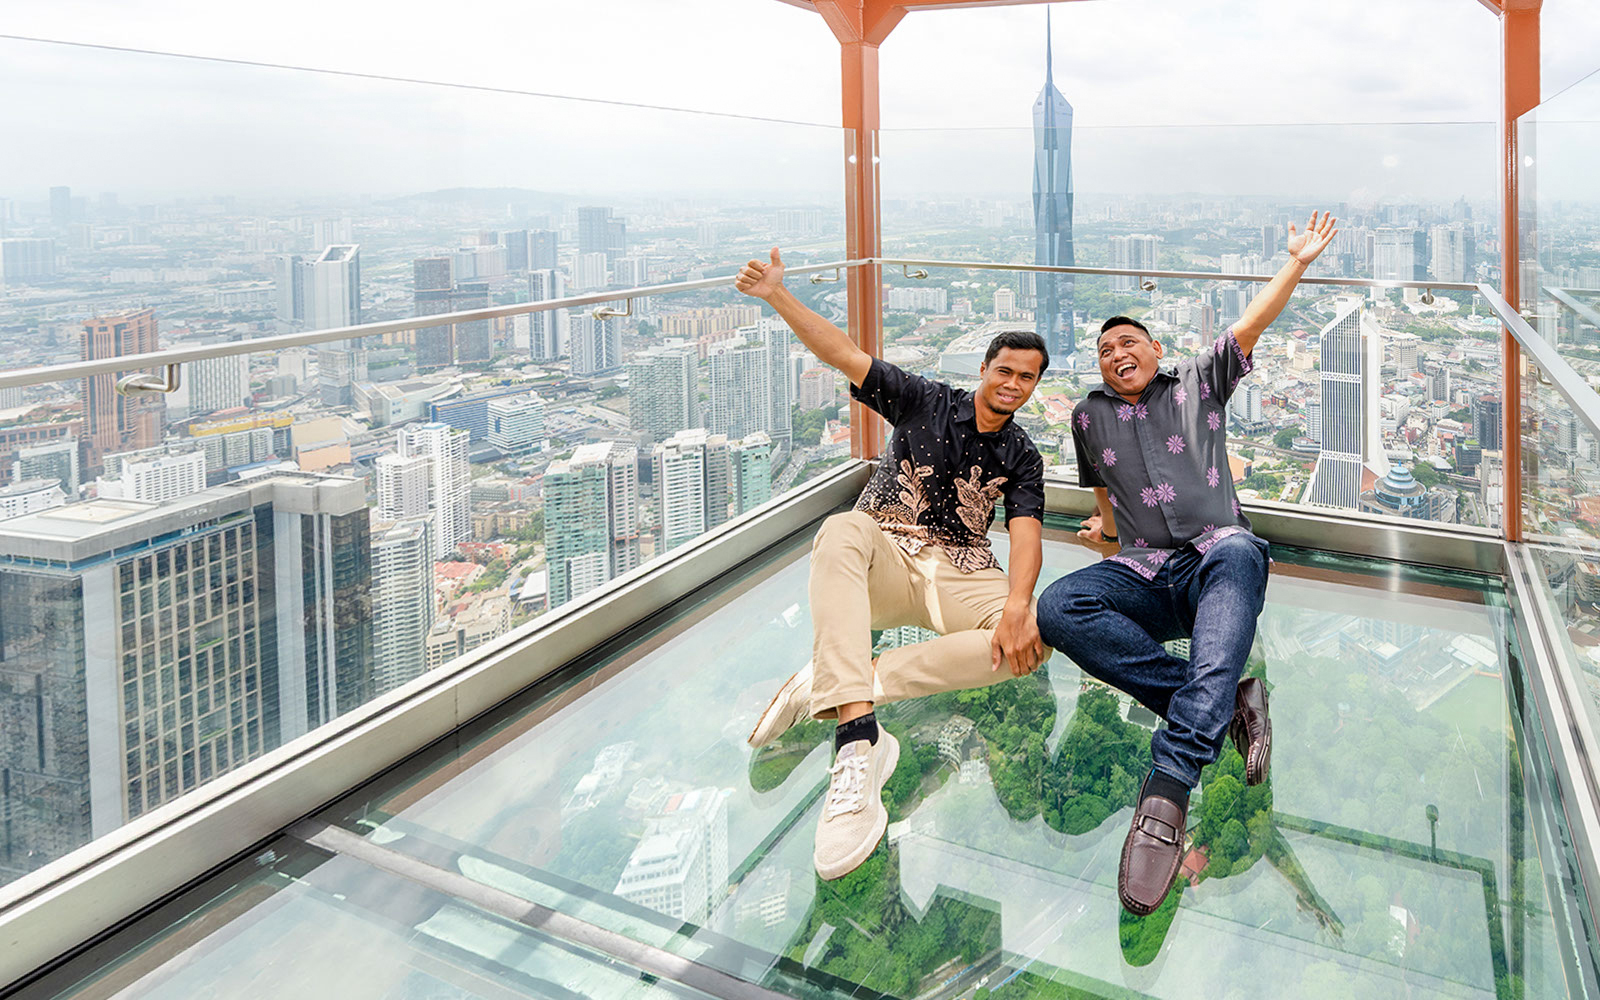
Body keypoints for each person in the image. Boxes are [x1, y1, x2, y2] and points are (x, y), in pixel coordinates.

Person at [1036, 211, 1339, 916]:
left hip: (1214, 562)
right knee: (1058, 608)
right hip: (1143, 570)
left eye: (1129, 342)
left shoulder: (1199, 383)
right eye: (1106, 348)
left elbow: (1251, 326)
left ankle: (1169, 786)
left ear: (1156, 349)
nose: (1117, 353)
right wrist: (1106, 538)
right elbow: (1102, 490)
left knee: (1238, 547)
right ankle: (1227, 702)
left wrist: (1295, 261)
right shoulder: (1087, 416)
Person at [735, 248, 1051, 880]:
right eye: (1005, 370)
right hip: (885, 553)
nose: (1013, 384)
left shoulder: (1023, 454)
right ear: (984, 368)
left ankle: (838, 680)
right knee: (841, 531)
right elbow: (841, 353)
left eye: (1027, 377)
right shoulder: (924, 400)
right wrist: (776, 294)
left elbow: (1026, 534)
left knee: (1030, 641)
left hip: (962, 570)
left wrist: (1018, 604)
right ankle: (858, 741)